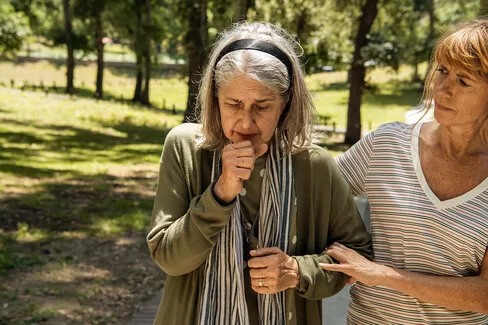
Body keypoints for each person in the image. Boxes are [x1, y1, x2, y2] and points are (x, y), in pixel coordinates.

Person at [147, 22, 372, 325]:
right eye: (233, 104)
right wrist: (221, 192)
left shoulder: (313, 165)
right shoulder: (186, 147)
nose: (245, 123)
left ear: (286, 101)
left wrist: (296, 271)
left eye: (262, 106)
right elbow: (169, 259)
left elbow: (356, 256)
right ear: (215, 98)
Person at [320, 18, 488, 324]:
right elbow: (314, 195)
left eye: (463, 81)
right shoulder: (386, 144)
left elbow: (485, 295)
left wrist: (382, 275)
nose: (443, 88)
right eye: (443, 71)